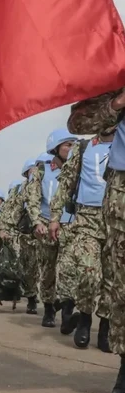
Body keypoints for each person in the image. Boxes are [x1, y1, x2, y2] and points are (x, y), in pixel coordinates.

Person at [67, 88, 125, 393]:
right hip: (120, 196)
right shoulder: (116, 71)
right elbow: (77, 122)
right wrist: (117, 103)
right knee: (120, 283)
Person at [49, 126, 115, 350]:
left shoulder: (122, 144)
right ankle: (85, 318)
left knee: (112, 277)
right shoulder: (83, 148)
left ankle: (105, 327)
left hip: (117, 219)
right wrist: (55, 217)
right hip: (86, 217)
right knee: (88, 271)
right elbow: (65, 183)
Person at [25, 130, 77, 328]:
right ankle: (48, 308)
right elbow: (33, 198)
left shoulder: (78, 168)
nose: (71, 149)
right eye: (67, 145)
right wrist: (37, 221)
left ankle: (66, 312)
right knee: (48, 270)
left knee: (69, 270)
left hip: (72, 226)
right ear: (56, 148)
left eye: (73, 145)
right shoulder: (42, 169)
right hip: (46, 226)